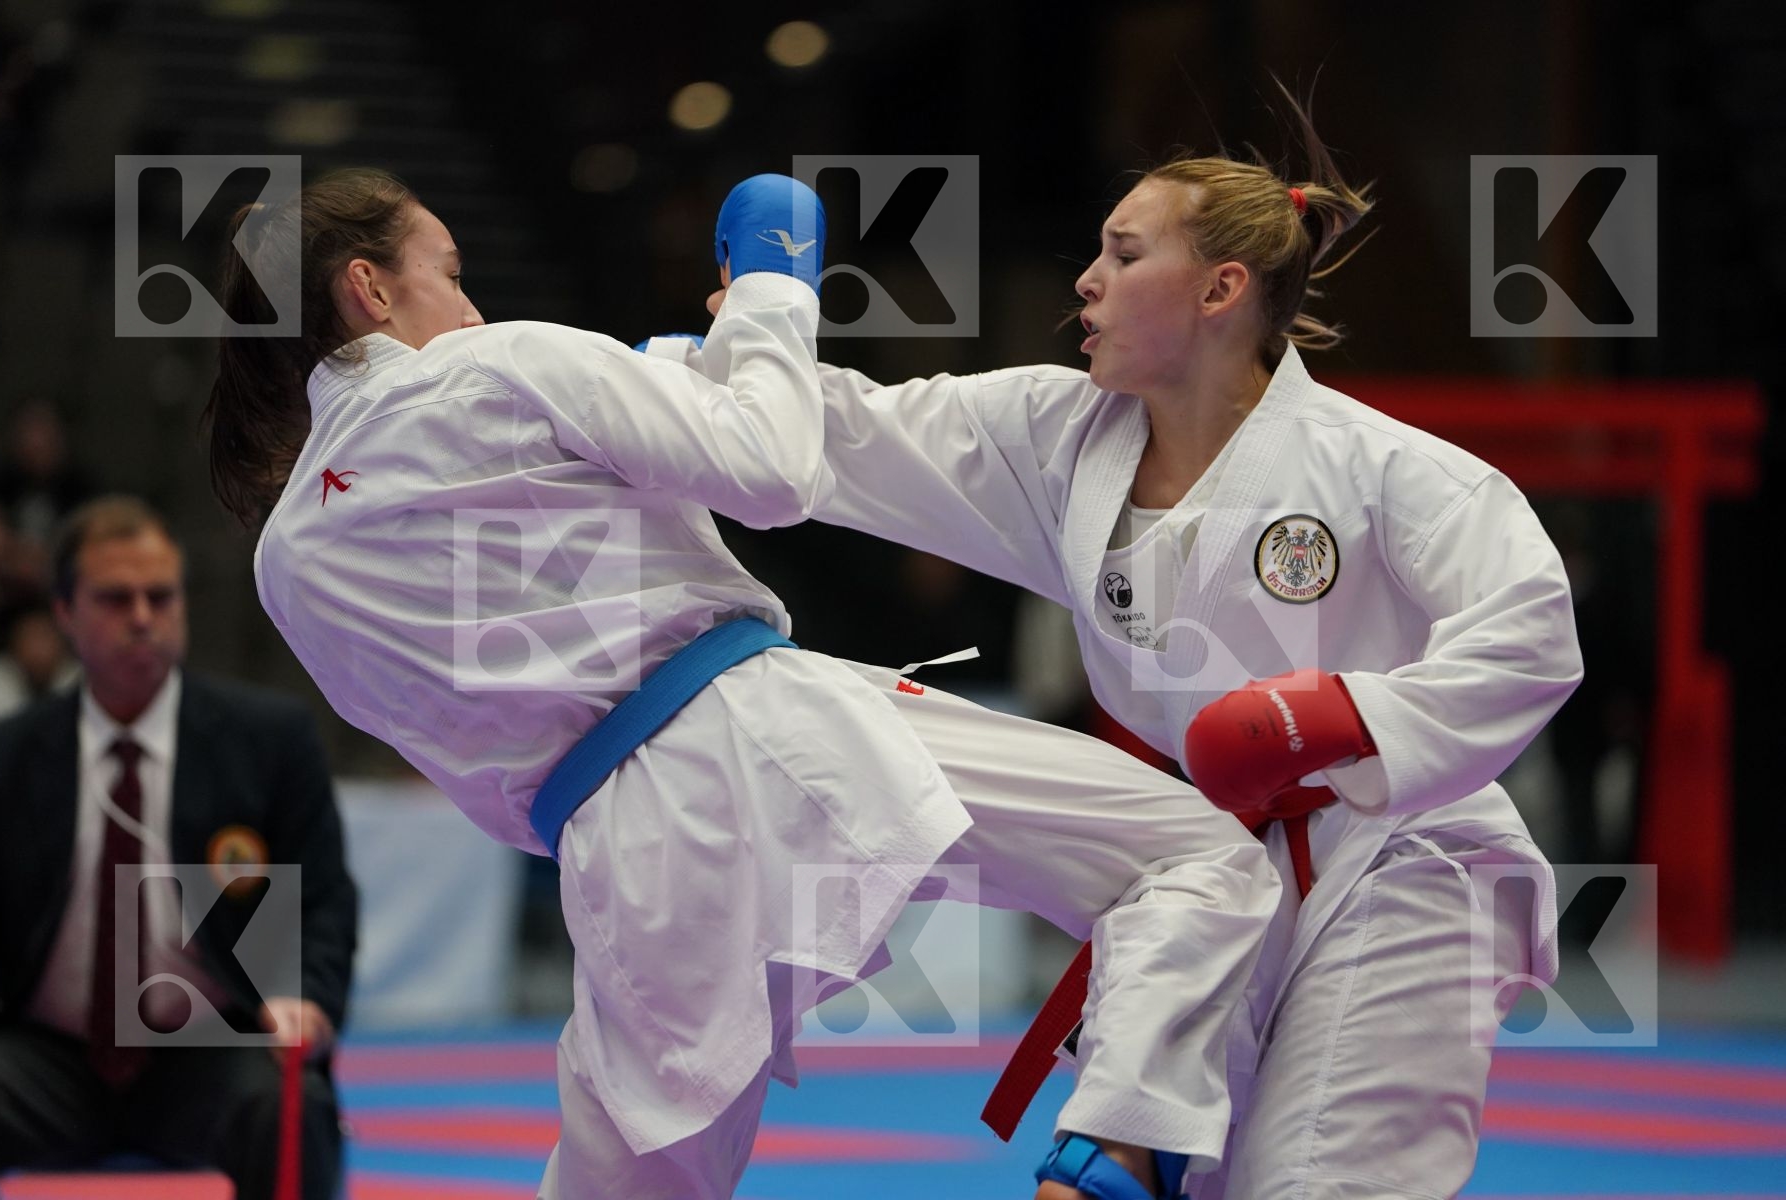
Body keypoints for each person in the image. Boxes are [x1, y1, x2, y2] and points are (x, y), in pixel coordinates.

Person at [202, 166, 1281, 1200]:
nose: (471, 302)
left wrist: (683, 368)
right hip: (766, 731)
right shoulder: (496, 364)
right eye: (449, 271)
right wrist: (772, 288)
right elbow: (770, 469)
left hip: (613, 855)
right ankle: (1110, 1163)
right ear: (369, 287)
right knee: (1192, 860)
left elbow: (473, 762)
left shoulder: (289, 561)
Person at [670, 100, 1583, 1198]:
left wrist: (1339, 719)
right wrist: (674, 377)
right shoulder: (1060, 440)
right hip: (1214, 868)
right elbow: (855, 432)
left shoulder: (1376, 466)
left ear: (1219, 291)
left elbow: (1531, 621)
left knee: (1319, 1182)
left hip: (1405, 859)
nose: (1085, 281)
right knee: (1180, 1180)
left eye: (1124, 252)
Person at [0, 496, 359, 1200]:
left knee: (289, 1101)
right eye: (114, 598)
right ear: (65, 614)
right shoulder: (6, 760)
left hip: (207, 1052)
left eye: (160, 596)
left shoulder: (264, 743)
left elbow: (323, 901)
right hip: (47, 1059)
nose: (142, 617)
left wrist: (305, 999)